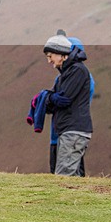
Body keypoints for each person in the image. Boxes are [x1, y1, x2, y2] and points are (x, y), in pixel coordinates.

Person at [43, 32, 93, 176]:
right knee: (73, 178)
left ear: (60, 54)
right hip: (68, 131)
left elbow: (64, 100)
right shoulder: (64, 75)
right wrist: (50, 98)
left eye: (50, 56)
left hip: (74, 131)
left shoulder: (77, 70)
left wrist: (49, 96)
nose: (49, 61)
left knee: (64, 177)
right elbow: (52, 103)